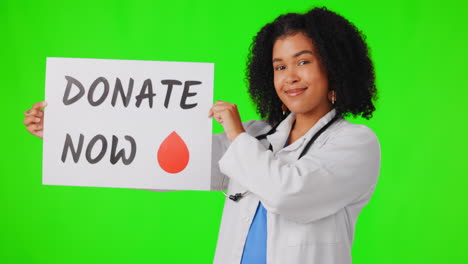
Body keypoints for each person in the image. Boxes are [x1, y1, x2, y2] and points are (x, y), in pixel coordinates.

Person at [24, 7, 380, 264]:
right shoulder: (258, 137)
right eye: (279, 67)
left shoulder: (354, 144)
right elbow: (164, 165)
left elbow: (288, 193)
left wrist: (238, 135)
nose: (290, 77)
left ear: (333, 66)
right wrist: (68, 132)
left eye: (303, 61)